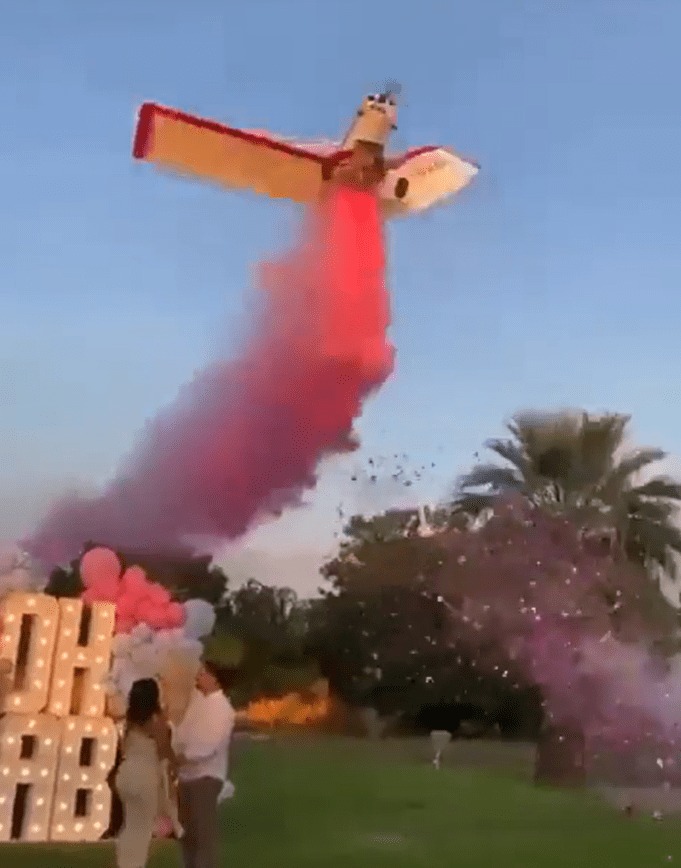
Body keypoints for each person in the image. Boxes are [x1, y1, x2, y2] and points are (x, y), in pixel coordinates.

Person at [173, 661, 236, 868]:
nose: (198, 677)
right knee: (187, 835)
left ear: (214, 679)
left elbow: (208, 745)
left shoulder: (222, 709)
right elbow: (183, 732)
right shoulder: (198, 703)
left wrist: (185, 756)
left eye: (203, 673)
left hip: (206, 777)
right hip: (186, 776)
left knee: (203, 835)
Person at [114, 678, 179, 868]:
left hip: (126, 775)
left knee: (130, 826)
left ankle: (124, 863)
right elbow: (163, 751)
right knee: (141, 830)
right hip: (145, 777)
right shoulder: (156, 721)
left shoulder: (129, 722)